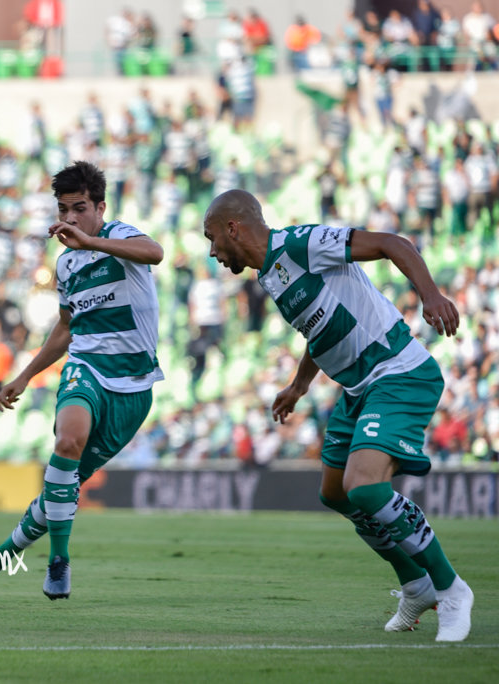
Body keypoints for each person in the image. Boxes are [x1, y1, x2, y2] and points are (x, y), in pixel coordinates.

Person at [201, 189, 474, 642]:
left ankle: (451, 589)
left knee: (364, 487)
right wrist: (300, 384)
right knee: (335, 493)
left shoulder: (300, 244)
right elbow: (322, 327)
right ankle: (415, 583)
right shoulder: (271, 275)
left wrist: (431, 296)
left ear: (234, 227)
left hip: (397, 371)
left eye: (212, 238)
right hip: (357, 387)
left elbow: (391, 243)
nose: (212, 251)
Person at [0, 161, 164, 599]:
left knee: (62, 488)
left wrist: (91, 240)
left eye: (79, 208)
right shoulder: (66, 266)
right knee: (67, 442)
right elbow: (66, 328)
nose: (70, 218)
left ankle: (0, 555)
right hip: (86, 369)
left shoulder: (120, 237)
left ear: (101, 207)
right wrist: (24, 376)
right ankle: (59, 560)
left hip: (134, 386)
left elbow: (155, 253)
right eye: (64, 209)